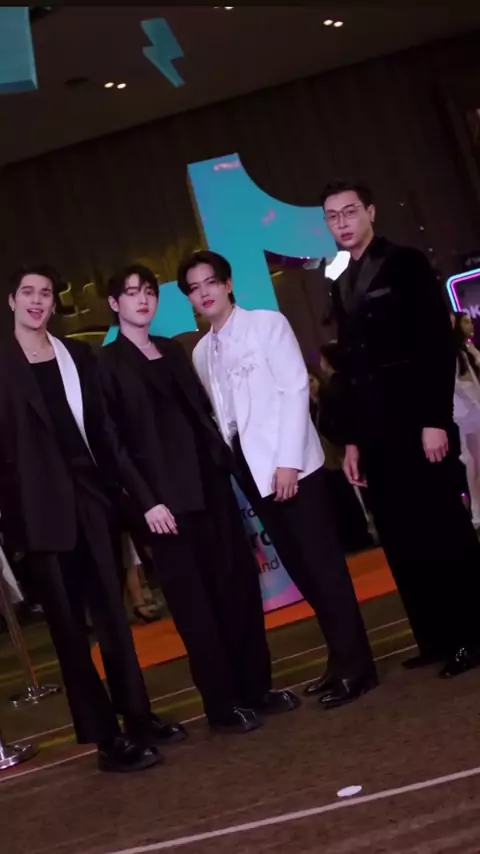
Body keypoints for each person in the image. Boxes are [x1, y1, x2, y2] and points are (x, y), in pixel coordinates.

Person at [97, 264, 299, 735]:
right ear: (114, 303)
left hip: (211, 486)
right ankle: (222, 705)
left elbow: (203, 414)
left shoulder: (173, 349)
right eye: (132, 293)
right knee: (196, 608)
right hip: (165, 505)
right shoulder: (105, 364)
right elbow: (111, 443)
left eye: (149, 291)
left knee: (239, 590)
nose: (143, 300)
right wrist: (146, 501)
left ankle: (256, 689)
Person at [0, 264, 185, 773]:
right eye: (28, 292)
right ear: (12, 301)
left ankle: (138, 716)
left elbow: (103, 431)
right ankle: (105, 738)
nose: (37, 300)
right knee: (69, 631)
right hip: (39, 514)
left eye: (45, 293)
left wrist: (127, 494)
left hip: (91, 498)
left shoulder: (77, 356)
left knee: (113, 619)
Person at [177, 250, 377, 710]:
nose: (204, 293)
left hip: (293, 466)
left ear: (228, 284)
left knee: (324, 567)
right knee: (302, 570)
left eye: (210, 282)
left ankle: (358, 668)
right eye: (194, 288)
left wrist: (288, 462)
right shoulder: (202, 351)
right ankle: (340, 660)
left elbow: (295, 390)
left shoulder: (267, 324)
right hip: (251, 471)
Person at [321, 179, 480, 678]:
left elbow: (437, 343)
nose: (343, 222)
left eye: (350, 211)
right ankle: (434, 637)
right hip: (373, 431)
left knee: (443, 528)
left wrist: (436, 419)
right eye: (333, 216)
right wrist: (351, 440)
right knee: (399, 534)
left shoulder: (406, 263)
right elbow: (348, 367)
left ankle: (471, 636)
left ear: (370, 212)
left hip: (417, 420)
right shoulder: (339, 280)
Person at [309, 348, 375, 553]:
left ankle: (365, 532)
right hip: (329, 460)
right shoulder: (310, 407)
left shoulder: (332, 394)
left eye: (311, 380)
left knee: (357, 492)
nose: (310, 385)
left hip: (341, 451)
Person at [452, 312, 480, 528]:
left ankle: (477, 510)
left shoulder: (467, 350)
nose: (471, 325)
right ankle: (476, 511)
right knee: (472, 464)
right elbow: (456, 384)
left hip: (475, 411)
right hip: (465, 415)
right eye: (466, 321)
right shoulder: (452, 353)